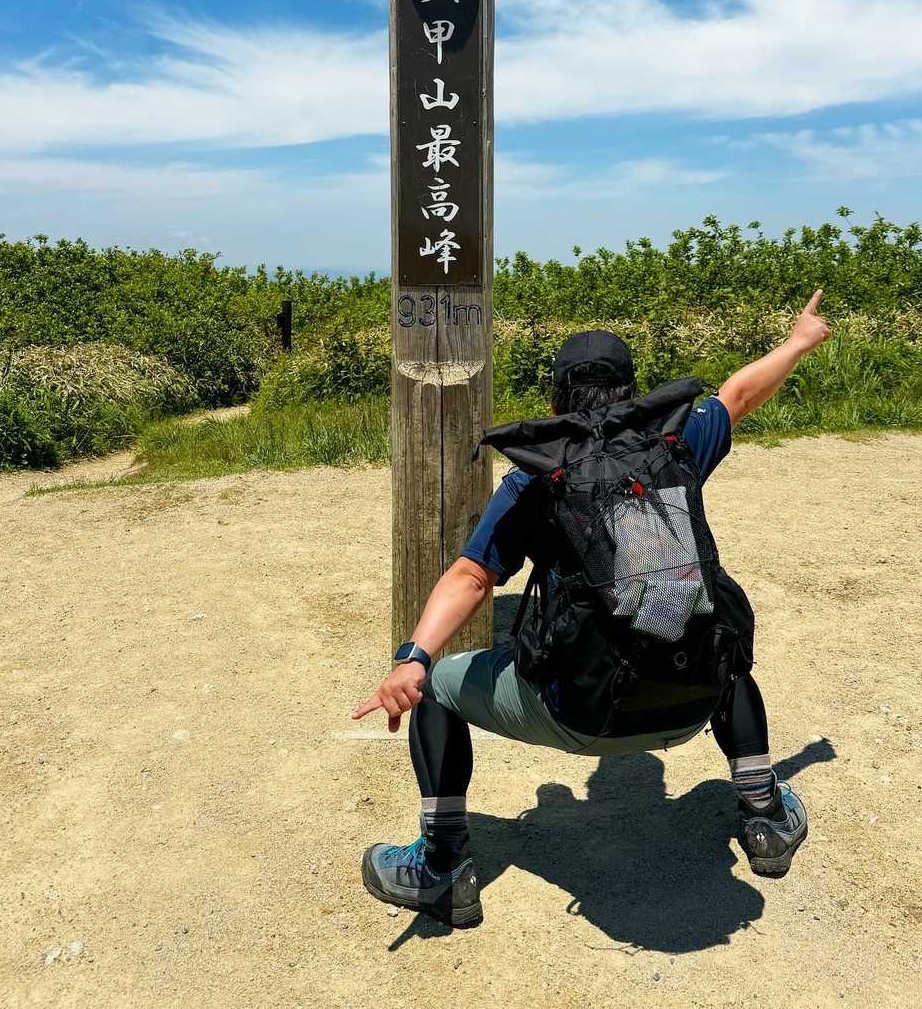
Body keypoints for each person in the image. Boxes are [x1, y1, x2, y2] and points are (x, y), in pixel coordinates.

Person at [353, 291, 832, 926]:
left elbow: (472, 576)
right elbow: (739, 395)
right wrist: (798, 341)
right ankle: (766, 814)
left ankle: (441, 868)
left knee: (437, 687)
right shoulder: (677, 441)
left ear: (555, 401)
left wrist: (414, 657)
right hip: (693, 701)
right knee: (717, 634)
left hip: (580, 713)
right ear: (632, 391)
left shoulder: (537, 475)